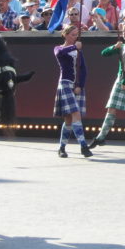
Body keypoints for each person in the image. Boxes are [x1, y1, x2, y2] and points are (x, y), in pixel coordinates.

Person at [89, 23, 125, 151]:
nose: (123, 34)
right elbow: (103, 53)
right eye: (123, 31)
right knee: (111, 108)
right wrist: (113, 47)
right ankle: (101, 136)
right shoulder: (121, 46)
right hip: (120, 78)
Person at [53, 24, 93, 158]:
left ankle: (62, 147)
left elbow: (84, 70)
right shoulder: (59, 48)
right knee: (74, 114)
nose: (75, 37)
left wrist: (80, 85)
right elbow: (60, 53)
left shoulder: (78, 51)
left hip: (76, 85)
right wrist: (74, 46)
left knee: (70, 119)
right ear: (65, 34)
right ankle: (83, 146)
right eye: (72, 35)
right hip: (65, 83)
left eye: (76, 35)